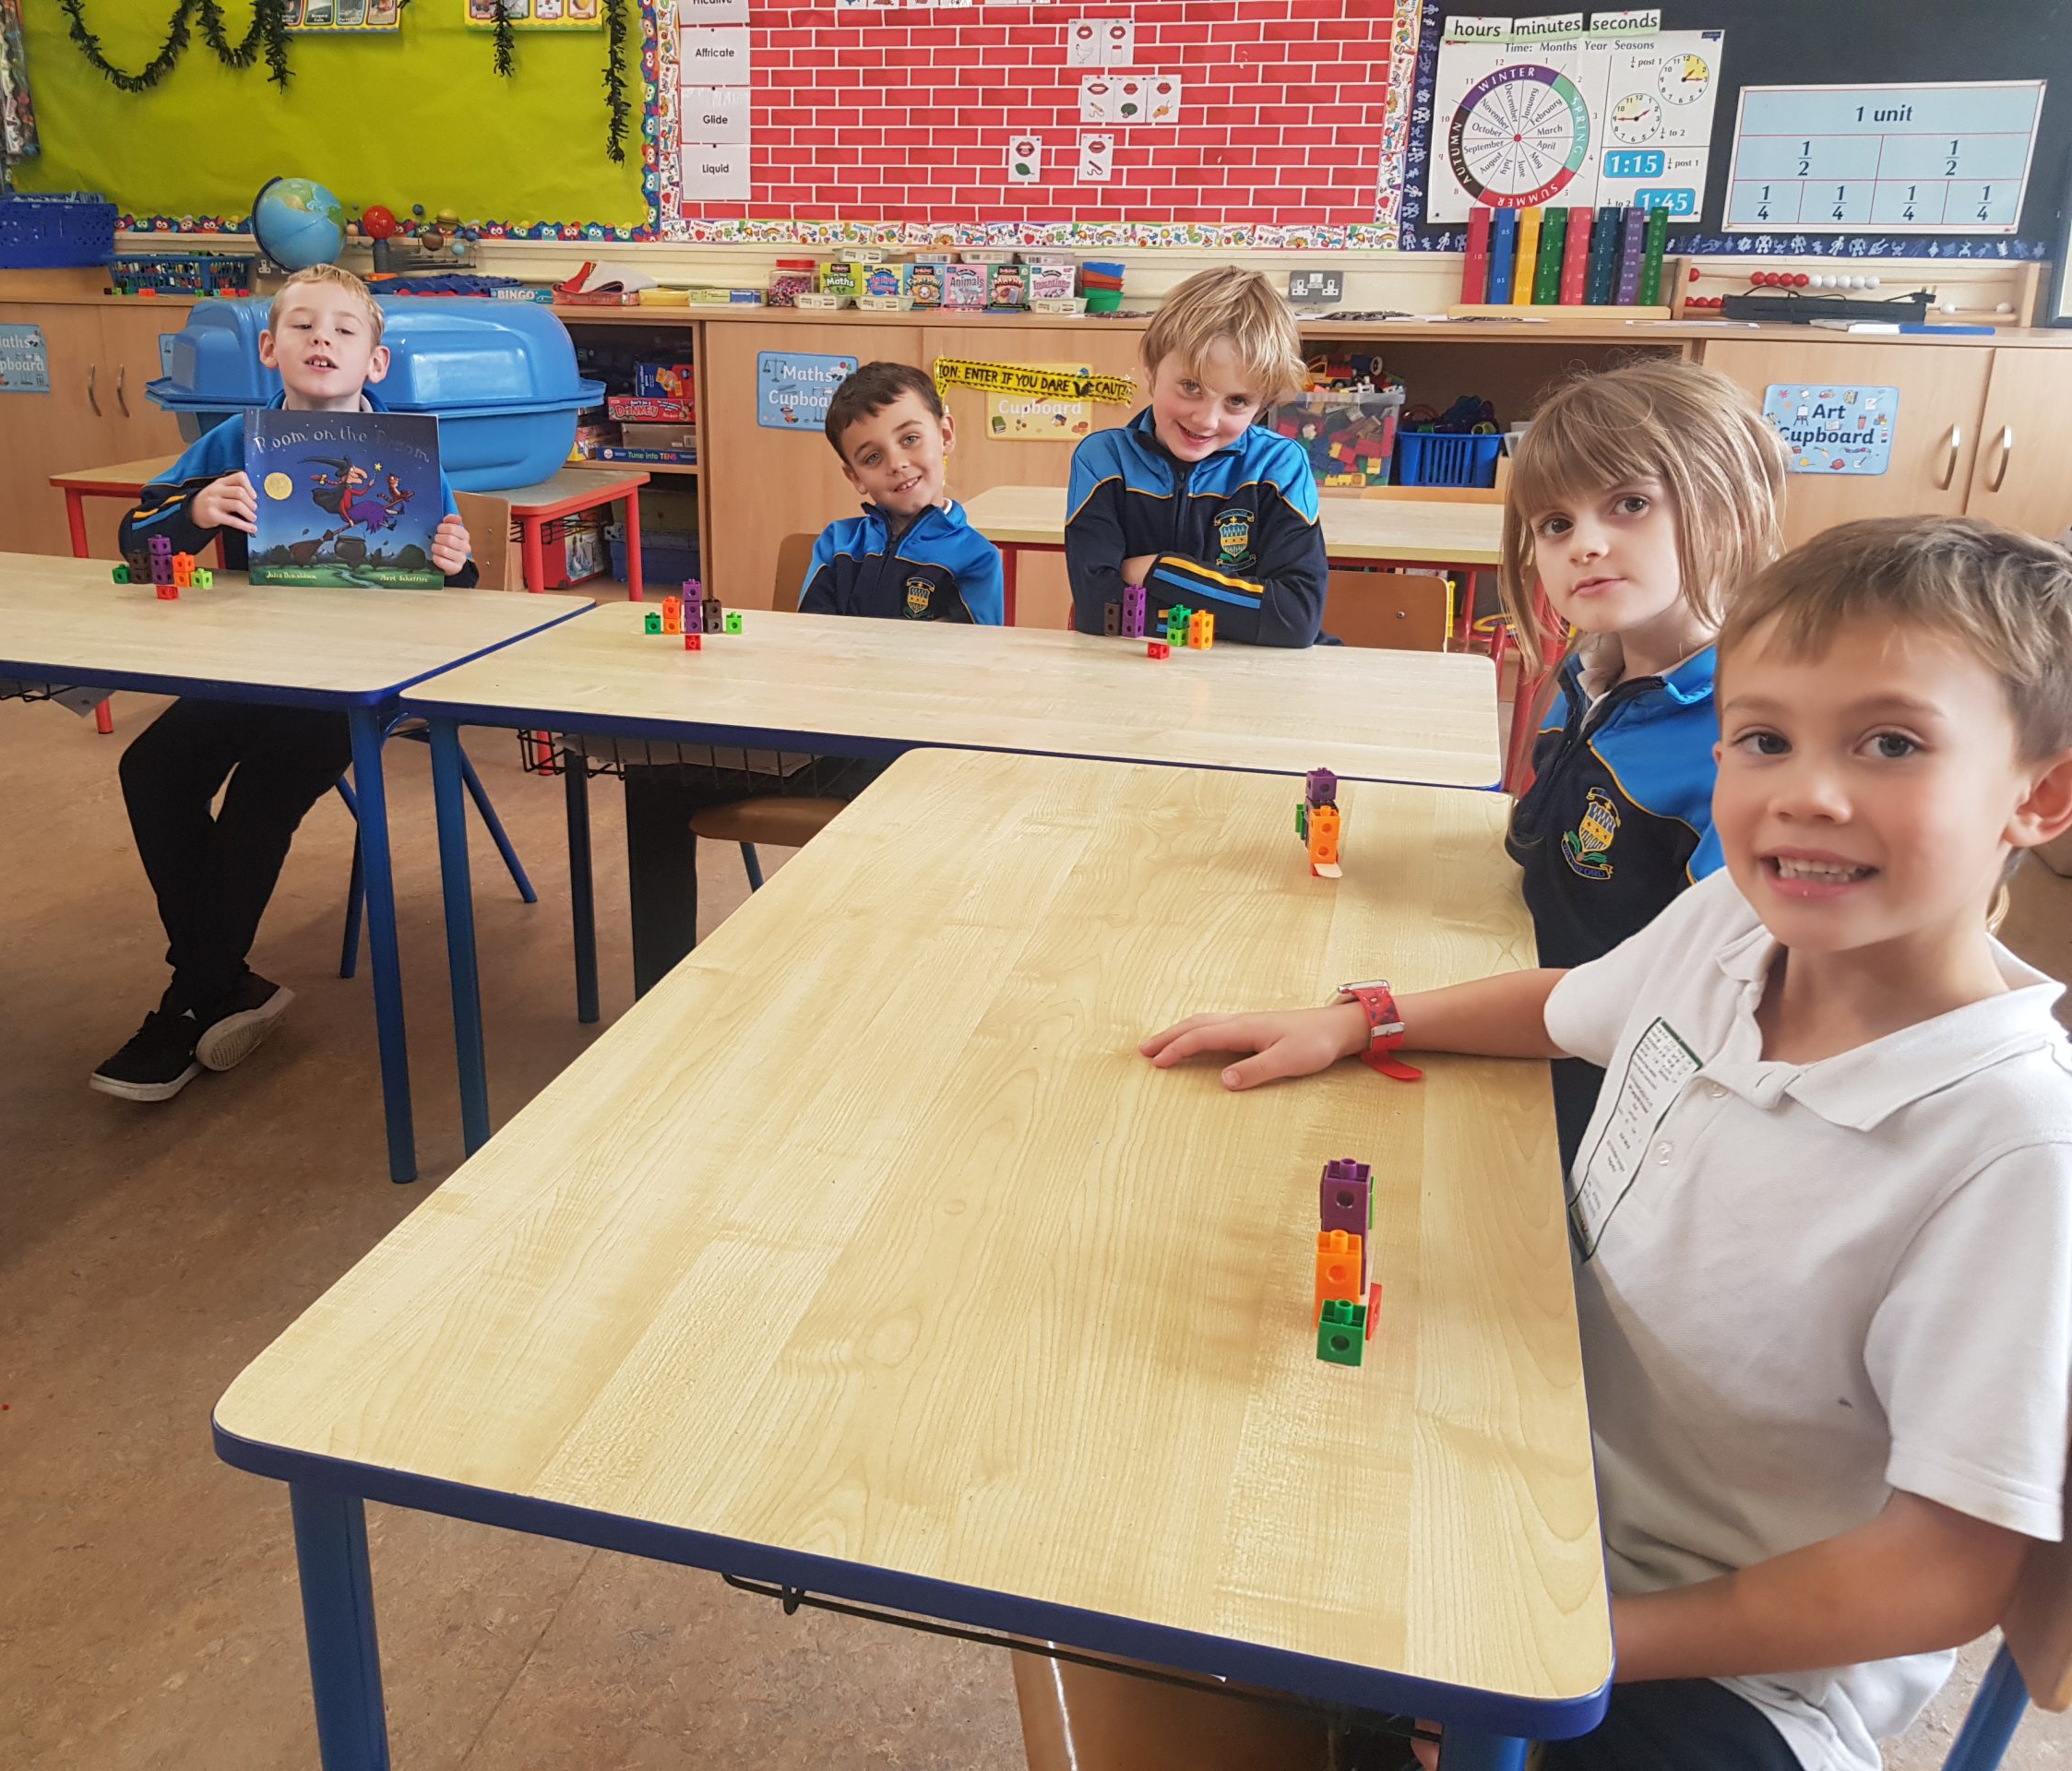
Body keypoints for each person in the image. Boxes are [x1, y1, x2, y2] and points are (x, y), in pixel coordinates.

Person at [1143, 516, 2072, 1771]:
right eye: (1764, 738)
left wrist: (1562, 1641)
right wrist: (1362, 1019)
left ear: (2039, 793)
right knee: (1174, 1523)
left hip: (1730, 1671)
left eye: (1892, 744)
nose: (1805, 792)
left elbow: (1941, 1573)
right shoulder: (1733, 923)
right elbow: (1570, 1006)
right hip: (1533, 1483)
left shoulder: (2013, 1149)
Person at [91, 265, 476, 1102]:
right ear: (269, 348)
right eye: (302, 326)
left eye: (344, 329)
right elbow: (136, 536)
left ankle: (190, 998)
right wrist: (195, 512)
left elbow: (458, 587)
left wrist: (456, 562)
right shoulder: (236, 440)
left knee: (263, 792)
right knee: (151, 769)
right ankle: (218, 980)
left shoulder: (405, 453)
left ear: (375, 361)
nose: (321, 340)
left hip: (363, 680)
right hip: (252, 664)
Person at [621, 362, 1001, 994]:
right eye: (872, 456)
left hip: (902, 755)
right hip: (814, 740)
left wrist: (865, 663)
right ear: (854, 475)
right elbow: (809, 646)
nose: (898, 464)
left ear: (945, 434)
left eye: (910, 439)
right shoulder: (836, 544)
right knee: (650, 779)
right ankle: (656, 993)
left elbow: (966, 672)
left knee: (904, 830)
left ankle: (872, 982)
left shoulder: (975, 559)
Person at [1499, 360, 1787, 1169]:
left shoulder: (1751, 738)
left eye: (1629, 504)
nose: (1585, 545)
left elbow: (1718, 995)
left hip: (1624, 1099)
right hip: (1529, 1011)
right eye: (1556, 524)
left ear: (1726, 509)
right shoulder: (1589, 673)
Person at [1064, 265, 1325, 646]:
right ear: (1151, 371)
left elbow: (1295, 619)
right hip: (1132, 671)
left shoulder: (1279, 466)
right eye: (1191, 386)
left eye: (1237, 401)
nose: (1205, 419)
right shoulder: (1104, 460)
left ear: (1263, 404)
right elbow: (1099, 611)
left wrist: (1158, 570)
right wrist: (1243, 614)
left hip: (1251, 675)